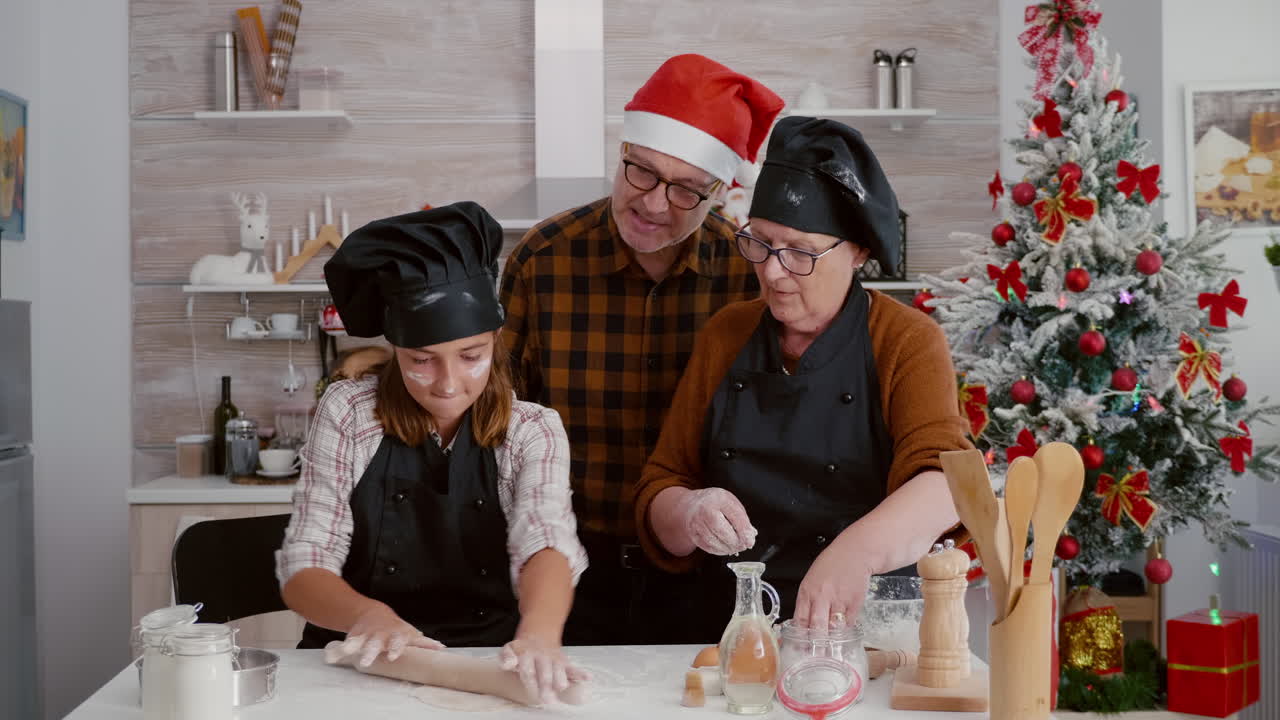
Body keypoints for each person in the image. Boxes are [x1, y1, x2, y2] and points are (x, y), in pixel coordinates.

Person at [633, 117, 972, 638]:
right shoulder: (727, 333)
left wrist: (855, 552)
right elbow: (662, 485)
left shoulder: (905, 339)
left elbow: (946, 484)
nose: (772, 271)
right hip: (728, 628)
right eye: (761, 243)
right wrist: (689, 511)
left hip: (862, 633)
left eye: (800, 252)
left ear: (857, 251)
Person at [499, 54, 784, 645]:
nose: (654, 204)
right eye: (642, 173)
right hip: (567, 571)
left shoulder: (747, 275)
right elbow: (499, 422)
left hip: (708, 576)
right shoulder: (543, 259)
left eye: (686, 190)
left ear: (719, 192)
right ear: (622, 153)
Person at [276, 202, 589, 703]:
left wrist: (539, 634)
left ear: (496, 340)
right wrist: (367, 615)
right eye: (422, 360)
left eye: (471, 356)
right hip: (356, 664)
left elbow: (546, 542)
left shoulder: (532, 430)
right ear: (395, 349)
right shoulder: (350, 413)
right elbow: (304, 565)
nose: (448, 383)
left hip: (487, 664)